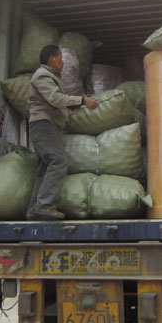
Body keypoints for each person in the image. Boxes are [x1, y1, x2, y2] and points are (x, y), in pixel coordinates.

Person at [26, 45, 98, 221]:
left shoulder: (51, 77)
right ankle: (44, 206)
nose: (62, 61)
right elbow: (55, 99)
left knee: (45, 168)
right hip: (43, 124)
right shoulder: (42, 76)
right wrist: (82, 100)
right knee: (58, 161)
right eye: (60, 57)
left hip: (45, 125)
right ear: (51, 59)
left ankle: (34, 211)